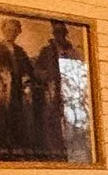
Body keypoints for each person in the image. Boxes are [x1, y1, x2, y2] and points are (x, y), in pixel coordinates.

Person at [0, 16, 37, 159]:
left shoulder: (20, 51)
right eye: (8, 30)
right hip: (1, 88)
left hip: (17, 91)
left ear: (18, 32)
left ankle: (15, 149)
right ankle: (1, 149)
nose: (11, 33)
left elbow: (28, 69)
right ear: (3, 31)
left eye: (14, 31)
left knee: (16, 116)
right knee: (1, 115)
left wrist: (27, 77)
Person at [29, 19, 80, 159]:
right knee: (52, 119)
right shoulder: (46, 51)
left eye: (62, 32)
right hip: (51, 91)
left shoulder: (73, 52)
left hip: (69, 92)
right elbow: (37, 71)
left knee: (71, 120)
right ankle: (54, 151)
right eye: (56, 32)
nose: (60, 35)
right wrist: (47, 77)